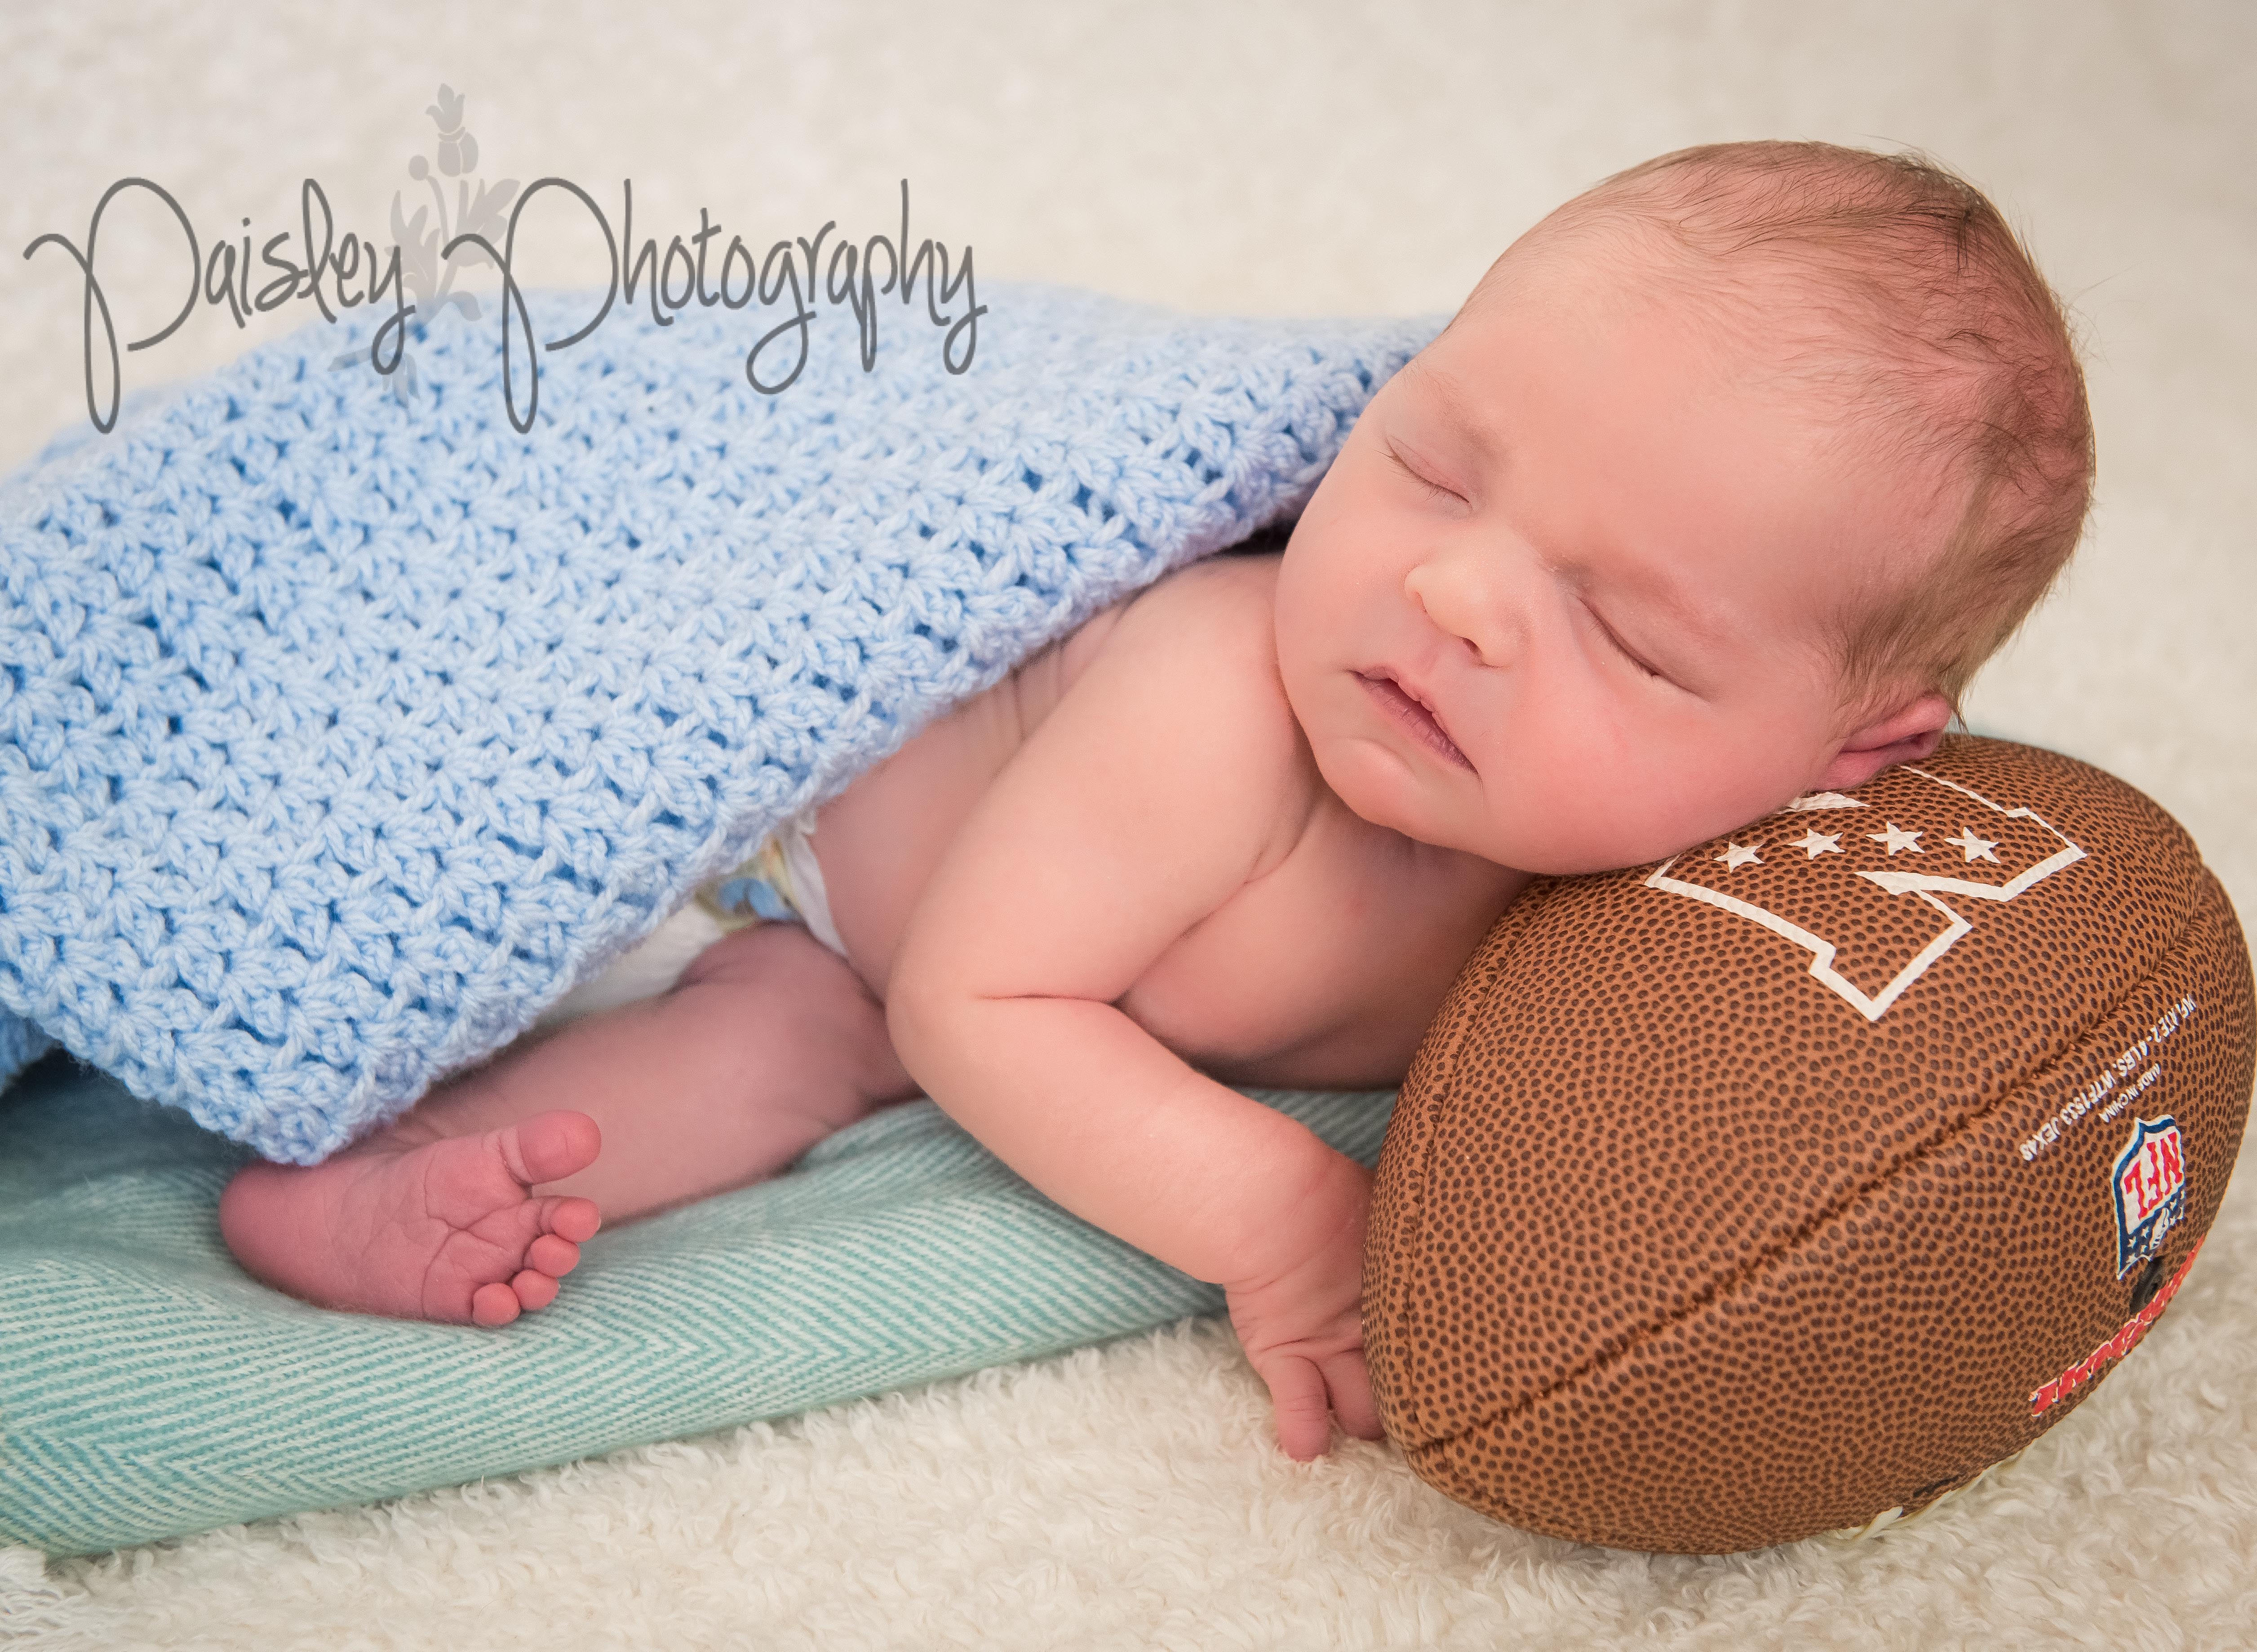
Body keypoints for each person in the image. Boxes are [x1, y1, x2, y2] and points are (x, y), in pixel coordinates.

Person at [217, 140, 2094, 1461]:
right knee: (864, 1010)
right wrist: (1280, 1212)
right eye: (1435, 467)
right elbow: (980, 1002)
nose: (1453, 594)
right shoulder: (1225, 686)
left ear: (1853, 751)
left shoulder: (1696, 880)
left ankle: (390, 1192)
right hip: (839, 832)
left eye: (1628, 633)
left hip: (862, 972)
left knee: (781, 1060)